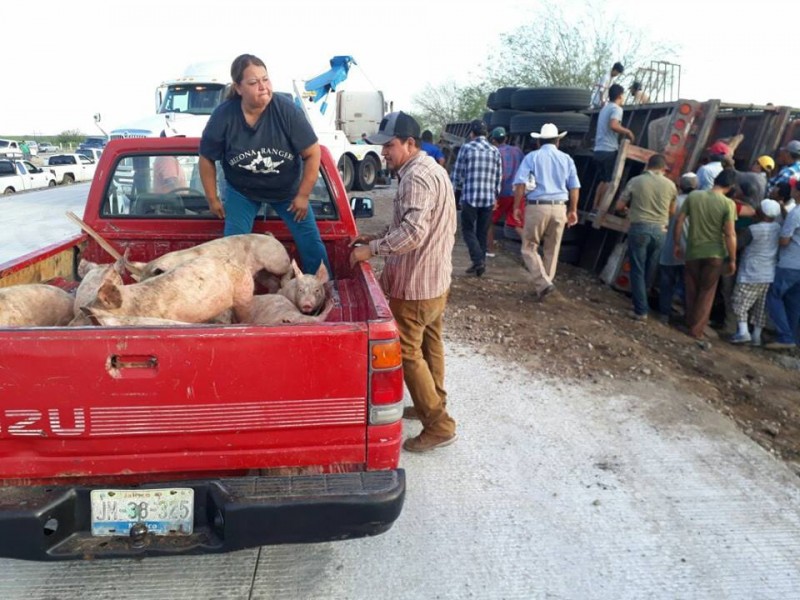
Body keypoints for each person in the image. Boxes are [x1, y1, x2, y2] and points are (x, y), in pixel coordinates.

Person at [349, 111, 458, 452]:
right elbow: (405, 225)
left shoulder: (415, 178)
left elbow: (412, 232)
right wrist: (373, 238)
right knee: (430, 346)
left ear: (410, 144)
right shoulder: (431, 170)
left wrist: (372, 251)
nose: (384, 153)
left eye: (390, 146)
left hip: (415, 286)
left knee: (408, 353)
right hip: (435, 281)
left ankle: (438, 424)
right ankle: (431, 403)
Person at [198, 53, 330, 274]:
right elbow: (206, 158)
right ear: (238, 88)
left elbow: (313, 153)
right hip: (243, 191)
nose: (263, 86)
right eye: (253, 82)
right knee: (233, 246)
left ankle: (323, 290)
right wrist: (212, 199)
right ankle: (232, 296)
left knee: (310, 243)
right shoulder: (224, 116)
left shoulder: (286, 110)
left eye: (265, 79)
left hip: (287, 191)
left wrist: (303, 195)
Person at [512, 123, 580, 300]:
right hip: (559, 207)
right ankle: (544, 286)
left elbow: (520, 184)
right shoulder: (567, 159)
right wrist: (573, 210)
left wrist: (516, 208)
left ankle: (543, 284)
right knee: (552, 249)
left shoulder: (532, 158)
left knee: (529, 247)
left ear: (538, 142)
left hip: (537, 205)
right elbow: (574, 187)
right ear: (558, 141)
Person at [673, 169, 738, 339]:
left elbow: (679, 220)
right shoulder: (728, 204)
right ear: (730, 186)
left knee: (691, 287)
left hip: (693, 250)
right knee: (706, 292)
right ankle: (696, 330)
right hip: (715, 254)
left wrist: (677, 243)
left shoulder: (694, 196)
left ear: (716, 180)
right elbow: (730, 234)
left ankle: (689, 321)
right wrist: (732, 259)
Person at [615, 154, 678, 320]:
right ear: (663, 168)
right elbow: (672, 212)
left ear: (647, 166)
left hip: (640, 229)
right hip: (660, 231)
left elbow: (619, 206)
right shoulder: (671, 185)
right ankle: (642, 303)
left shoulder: (636, 181)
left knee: (637, 269)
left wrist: (628, 211)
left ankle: (641, 310)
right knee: (650, 269)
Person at [451, 119, 502, 277]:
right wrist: (495, 196)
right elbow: (498, 176)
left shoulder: (466, 148)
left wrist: (451, 192)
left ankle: (478, 260)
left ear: (471, 133)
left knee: (467, 230)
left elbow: (457, 174)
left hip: (470, 197)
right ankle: (479, 264)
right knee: (481, 231)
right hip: (487, 199)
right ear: (486, 134)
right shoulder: (495, 151)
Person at [730, 199, 782, 345]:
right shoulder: (778, 228)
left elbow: (738, 244)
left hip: (750, 273)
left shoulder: (752, 229)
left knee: (739, 302)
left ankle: (743, 331)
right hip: (768, 274)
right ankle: (756, 337)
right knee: (760, 307)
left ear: (761, 212)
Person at [658, 172, 697, 323]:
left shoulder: (674, 202)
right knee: (688, 284)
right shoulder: (698, 203)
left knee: (666, 282)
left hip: (670, 248)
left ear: (680, 185)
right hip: (690, 251)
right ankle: (687, 317)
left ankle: (664, 314)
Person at [591, 84, 635, 213]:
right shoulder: (617, 109)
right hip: (609, 150)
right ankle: (601, 209)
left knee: (602, 180)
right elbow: (614, 125)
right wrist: (628, 132)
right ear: (620, 95)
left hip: (598, 149)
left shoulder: (604, 109)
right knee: (610, 181)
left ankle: (595, 207)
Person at [764, 196, 800, 350]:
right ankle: (790, 337)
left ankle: (785, 336)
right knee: (794, 303)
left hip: (789, 263)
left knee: (773, 296)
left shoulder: (796, 213)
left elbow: (784, 240)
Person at [487, 126, 525, 254]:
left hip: (502, 193)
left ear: (493, 140)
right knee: (516, 223)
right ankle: (531, 246)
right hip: (518, 193)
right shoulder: (518, 151)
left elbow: (495, 176)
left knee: (489, 221)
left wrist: (493, 196)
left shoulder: (495, 152)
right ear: (506, 138)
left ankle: (490, 250)